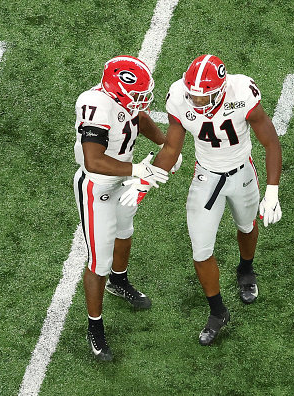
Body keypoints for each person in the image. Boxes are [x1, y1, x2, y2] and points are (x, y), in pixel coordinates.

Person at [151, 54, 283, 346]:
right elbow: (172, 148)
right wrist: (142, 181)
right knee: (200, 251)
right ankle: (217, 311)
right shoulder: (179, 97)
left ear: (221, 90)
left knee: (247, 226)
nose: (197, 102)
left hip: (242, 172)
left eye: (204, 97)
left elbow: (271, 141)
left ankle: (245, 270)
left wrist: (272, 191)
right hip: (206, 177)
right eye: (193, 96)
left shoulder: (241, 93)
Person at [73, 55, 169, 361]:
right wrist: (137, 172)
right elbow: (94, 160)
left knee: (125, 231)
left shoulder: (125, 104)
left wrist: (165, 143)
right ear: (117, 90)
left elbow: (138, 117)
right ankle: (95, 328)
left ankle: (119, 281)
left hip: (124, 179)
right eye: (136, 95)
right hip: (98, 185)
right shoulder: (96, 105)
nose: (141, 101)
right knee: (98, 261)